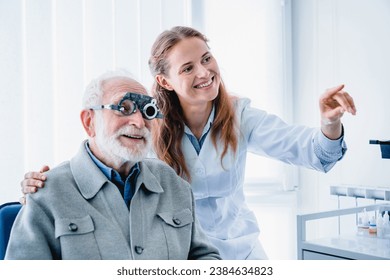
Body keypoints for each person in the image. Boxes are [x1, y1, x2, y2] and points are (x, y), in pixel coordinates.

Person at [21, 26, 356, 260]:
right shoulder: (147, 124)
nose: (204, 72)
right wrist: (42, 186)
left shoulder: (240, 115)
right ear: (164, 80)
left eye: (207, 59)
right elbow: (105, 159)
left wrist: (329, 122)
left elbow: (312, 151)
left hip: (242, 253)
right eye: (188, 67)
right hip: (177, 254)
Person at [6, 70, 221, 260]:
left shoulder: (174, 184)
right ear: (89, 122)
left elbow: (205, 257)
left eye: (147, 110)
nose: (138, 122)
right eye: (124, 107)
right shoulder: (47, 192)